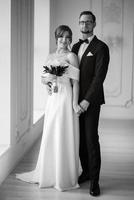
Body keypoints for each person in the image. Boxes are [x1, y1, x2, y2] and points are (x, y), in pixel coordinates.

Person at [16, 25, 82, 191]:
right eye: (61, 37)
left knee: (63, 132)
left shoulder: (72, 56)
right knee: (51, 132)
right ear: (56, 38)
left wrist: (74, 104)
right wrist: (48, 81)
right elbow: (43, 79)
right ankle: (49, 172)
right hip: (53, 99)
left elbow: (76, 83)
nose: (64, 40)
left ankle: (64, 175)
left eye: (68, 37)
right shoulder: (50, 56)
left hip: (66, 98)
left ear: (70, 39)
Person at [72, 11, 110, 196]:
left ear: (94, 24)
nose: (84, 25)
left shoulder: (101, 47)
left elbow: (99, 77)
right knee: (79, 141)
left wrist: (86, 101)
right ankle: (86, 172)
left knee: (91, 140)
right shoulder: (75, 47)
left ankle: (95, 181)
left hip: (91, 102)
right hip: (73, 102)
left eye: (88, 22)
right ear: (78, 25)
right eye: (81, 22)